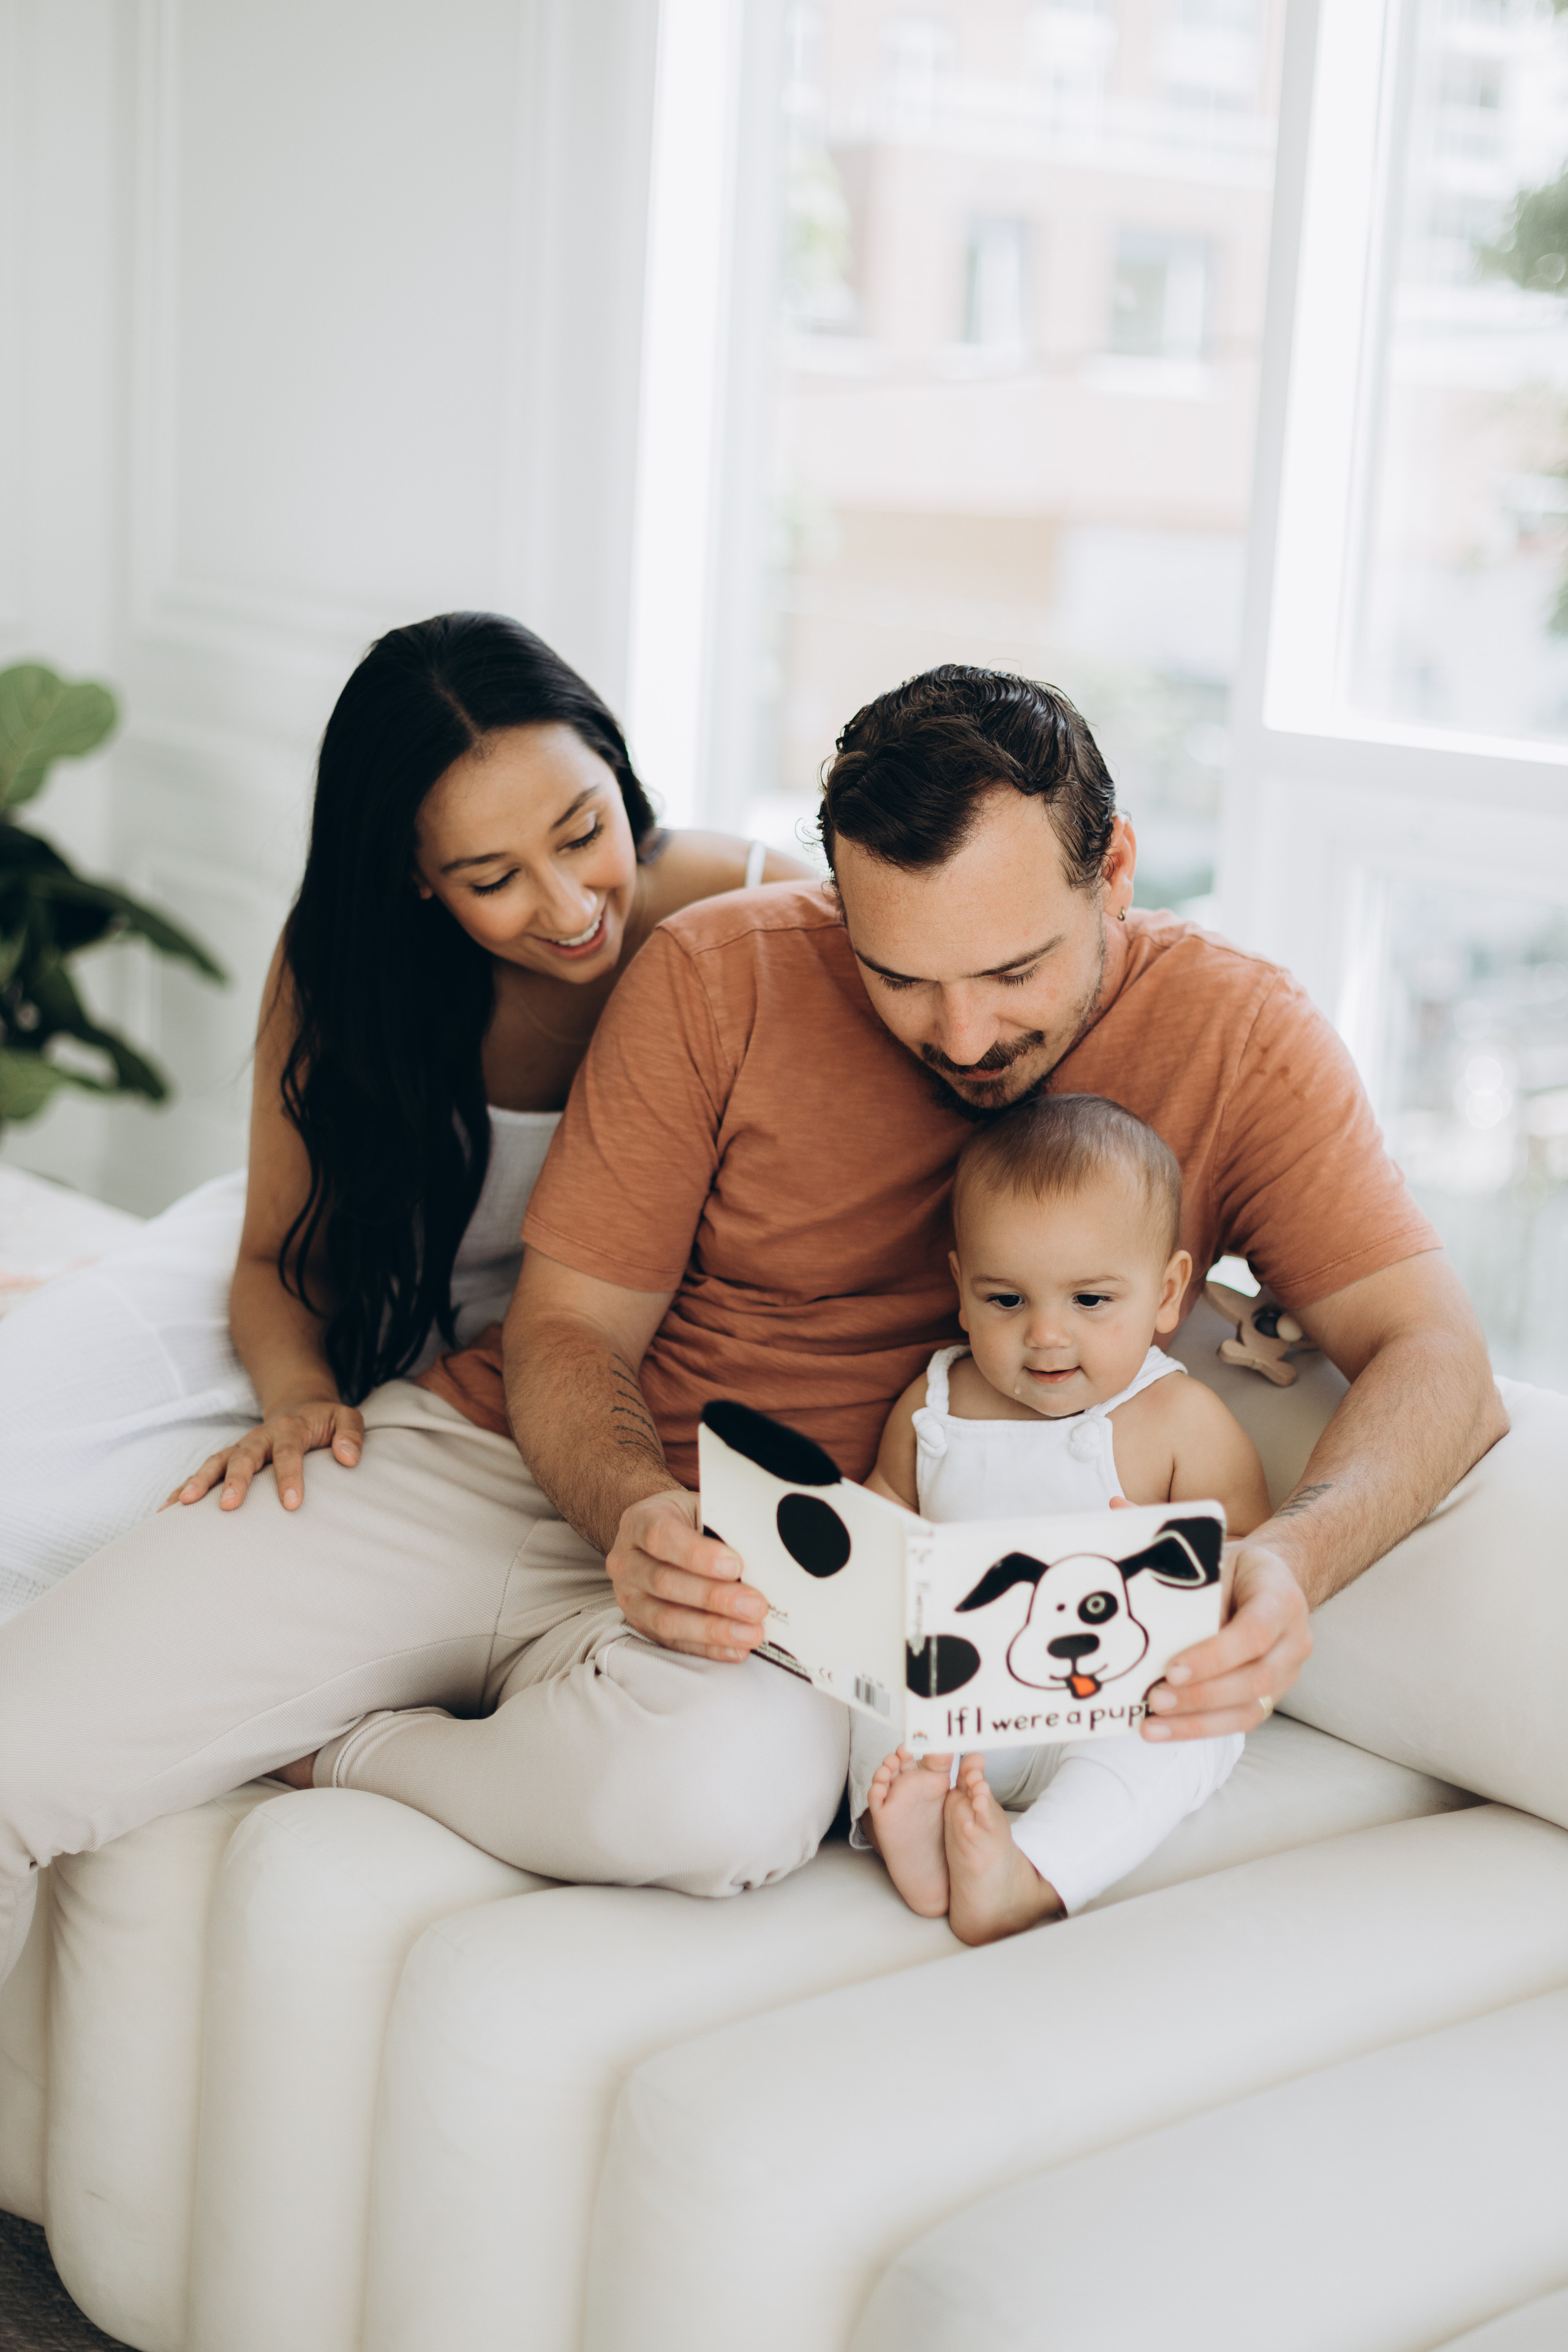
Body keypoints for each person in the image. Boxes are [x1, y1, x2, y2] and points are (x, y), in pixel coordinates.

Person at [0, 663, 1509, 1988]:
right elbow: (570, 1327)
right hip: (508, 1470)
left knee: (720, 1811)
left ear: (1111, 868)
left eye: (1012, 972)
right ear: (833, 897)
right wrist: (633, 1505)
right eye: (899, 976)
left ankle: (355, 1746)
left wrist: (1290, 1563)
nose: (965, 1036)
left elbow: (1438, 1360)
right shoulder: (718, 967)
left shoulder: (1242, 1038)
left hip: (801, 1590)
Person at [0, 611, 804, 1618]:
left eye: (583, 832)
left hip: (534, 1371)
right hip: (327, 1303)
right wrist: (299, 1402)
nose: (566, 907)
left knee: (169, 1587)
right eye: (494, 879)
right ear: (416, 877)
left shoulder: (754, 911)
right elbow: (271, 1259)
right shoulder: (346, 961)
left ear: (613, 759)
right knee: (24, 1500)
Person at [859, 1091, 1270, 1947]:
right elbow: (880, 1522)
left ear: (1166, 1294)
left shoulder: (1180, 1421)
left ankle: (1033, 1869)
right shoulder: (935, 1406)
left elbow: (1249, 1565)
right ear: (961, 1293)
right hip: (966, 1703)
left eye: (1090, 1301)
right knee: (855, 1690)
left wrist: (1173, 1566)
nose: (1047, 1337)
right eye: (1006, 1301)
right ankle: (923, 1829)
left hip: (1116, 1704)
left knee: (1185, 1742)